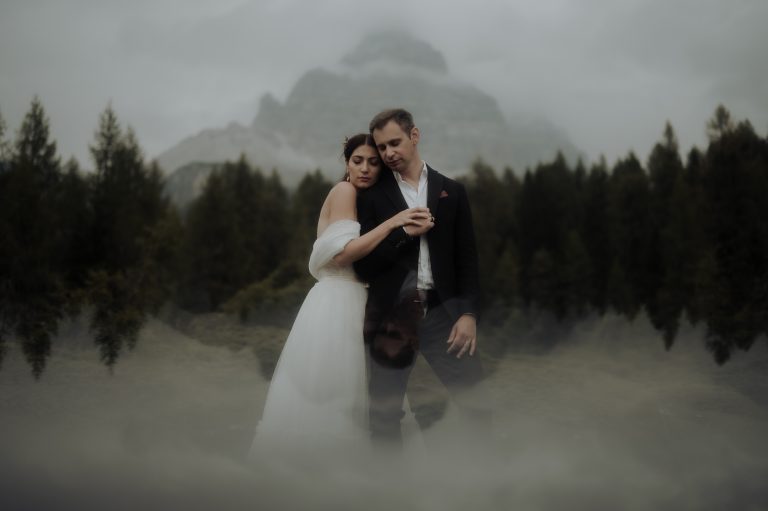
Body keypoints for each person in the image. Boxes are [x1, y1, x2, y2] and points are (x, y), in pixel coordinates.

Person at [248, 133, 432, 464]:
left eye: (373, 163)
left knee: (365, 399)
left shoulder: (366, 200)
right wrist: (395, 222)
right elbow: (344, 255)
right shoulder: (345, 190)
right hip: (337, 303)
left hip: (357, 302)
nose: (364, 169)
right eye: (357, 161)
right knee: (337, 396)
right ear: (346, 164)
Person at [354, 108, 491, 446]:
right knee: (384, 416)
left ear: (414, 136)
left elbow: (467, 261)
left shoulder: (453, 192)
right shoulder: (371, 197)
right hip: (392, 318)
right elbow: (363, 267)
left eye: (395, 143)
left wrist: (469, 314)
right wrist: (404, 234)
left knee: (479, 406)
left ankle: (486, 486)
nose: (388, 154)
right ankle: (389, 492)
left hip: (445, 316)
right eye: (382, 147)